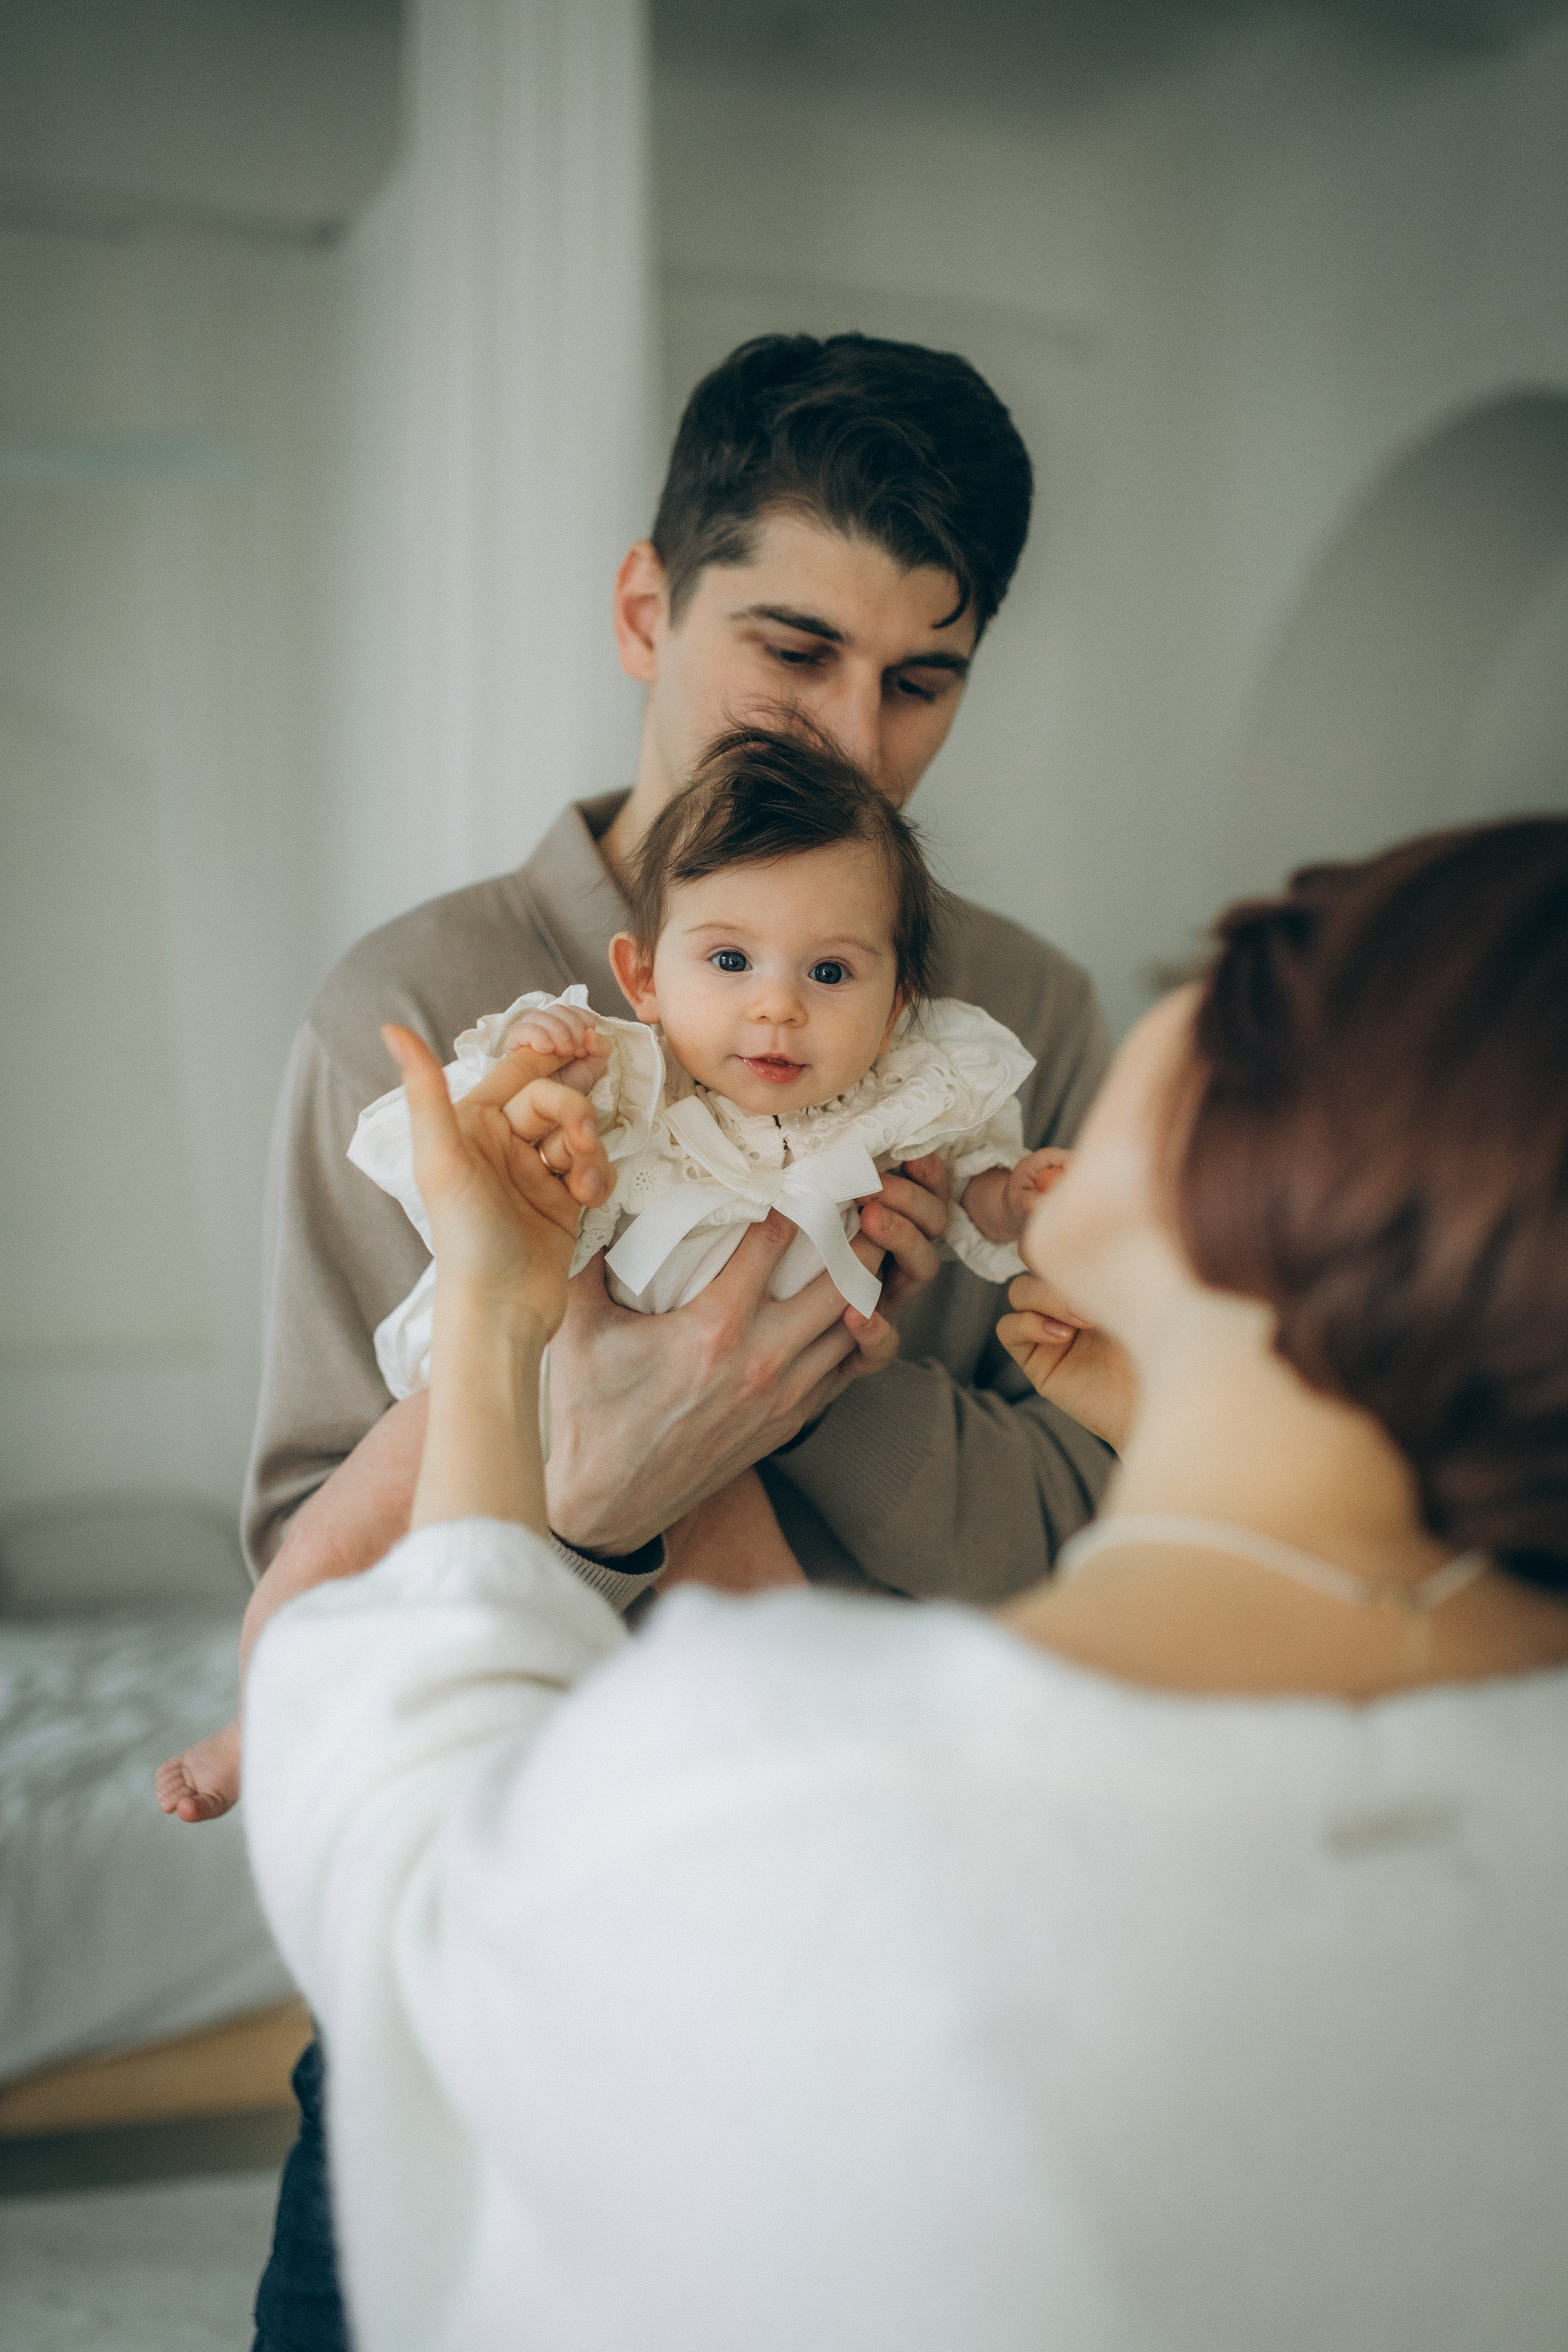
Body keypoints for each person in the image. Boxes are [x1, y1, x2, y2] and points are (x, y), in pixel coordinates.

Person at [244, 816, 1568, 2351]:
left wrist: (491, 1317)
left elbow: (398, 1860)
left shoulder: (769, 1778)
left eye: (1222, 975)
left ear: (1237, 1149)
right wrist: (1184, 1419)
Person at [160, 731, 1068, 1825]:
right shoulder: (625, 1072)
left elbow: (975, 1184)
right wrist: (539, 1060)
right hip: (522, 1381)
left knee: (761, 1624)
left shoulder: (901, 1104)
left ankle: (818, 1802)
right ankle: (266, 1718)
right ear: (643, 976)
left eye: (829, 972)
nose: (776, 1006)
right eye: (730, 962)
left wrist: (1009, 1205)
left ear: (899, 999)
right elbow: (494, 1128)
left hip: (735, 1446)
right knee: (339, 1537)